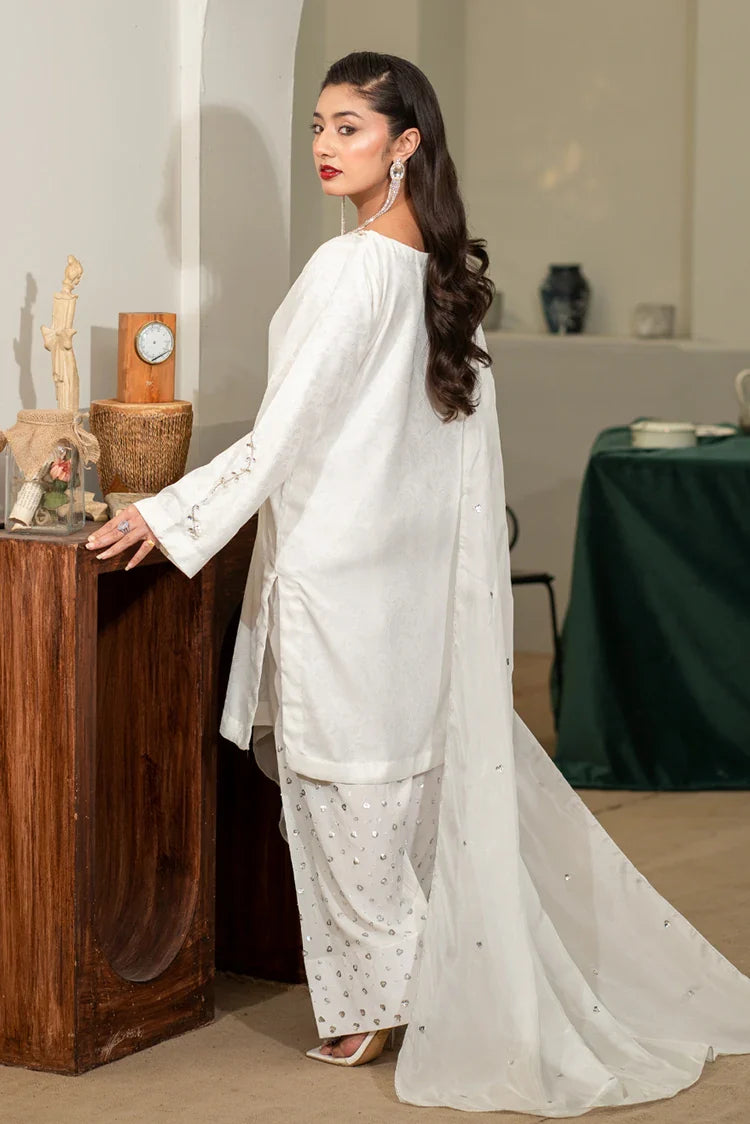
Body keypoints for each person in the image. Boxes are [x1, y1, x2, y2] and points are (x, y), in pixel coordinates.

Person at [86, 51, 750, 1116]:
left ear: (406, 145)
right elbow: (456, 464)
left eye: (348, 127)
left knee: (342, 792)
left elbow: (282, 438)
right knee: (396, 791)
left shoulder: (353, 270)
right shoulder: (443, 278)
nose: (323, 145)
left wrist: (164, 517)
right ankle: (410, 987)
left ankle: (376, 1004)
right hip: (409, 584)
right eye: (318, 125)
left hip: (343, 579)